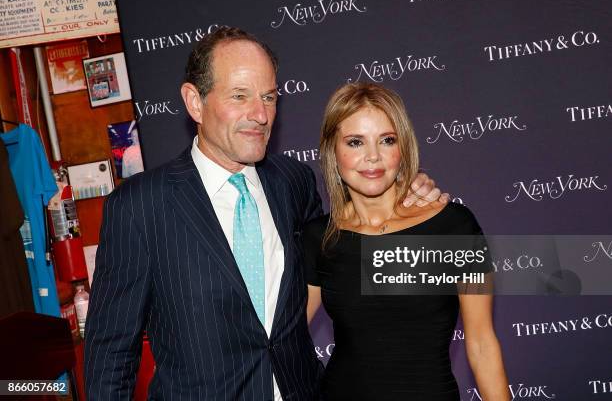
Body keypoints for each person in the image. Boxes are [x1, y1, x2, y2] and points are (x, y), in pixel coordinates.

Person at [84, 27, 447, 400]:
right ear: (195, 102)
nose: (260, 115)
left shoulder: (293, 183)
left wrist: (402, 197)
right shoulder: (140, 206)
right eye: (240, 96)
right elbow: (111, 353)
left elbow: (344, 259)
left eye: (269, 97)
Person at [304, 83, 510, 400]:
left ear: (404, 147)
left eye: (387, 140)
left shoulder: (453, 226)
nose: (372, 157)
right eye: (355, 142)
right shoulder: (320, 237)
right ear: (333, 151)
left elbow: (482, 343)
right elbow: (284, 340)